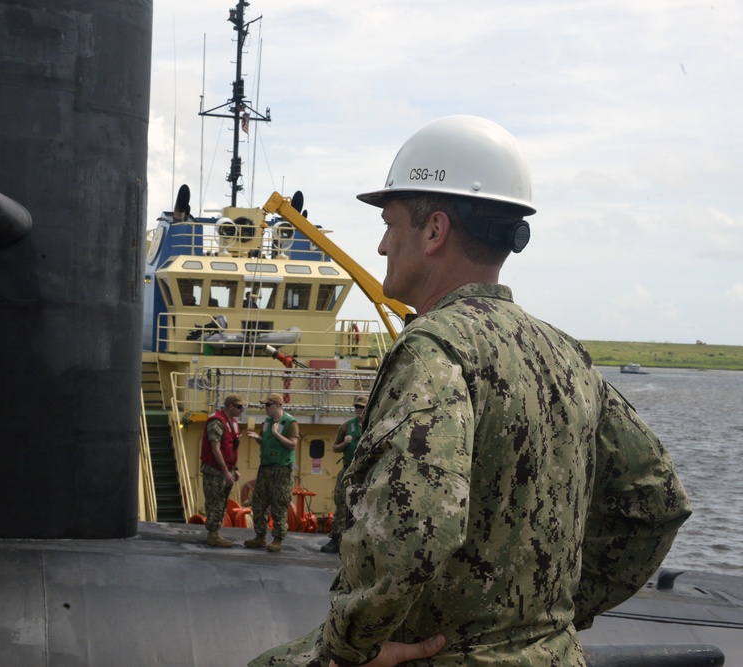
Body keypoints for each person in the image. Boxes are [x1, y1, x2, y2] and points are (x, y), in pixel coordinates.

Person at [250, 115, 691, 666]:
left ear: (434, 231)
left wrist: (351, 648)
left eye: (390, 224)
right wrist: (547, 619)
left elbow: (418, 527)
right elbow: (656, 502)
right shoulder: (565, 353)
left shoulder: (433, 348)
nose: (382, 244)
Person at [244, 392, 299, 553]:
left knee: (279, 505)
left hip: (281, 469)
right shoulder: (267, 422)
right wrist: (258, 438)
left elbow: (292, 445)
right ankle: (260, 536)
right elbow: (265, 441)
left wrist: (276, 434)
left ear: (277, 405)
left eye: (267, 405)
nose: (265, 408)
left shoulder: (290, 422)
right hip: (265, 468)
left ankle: (277, 539)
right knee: (259, 502)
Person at [320, 395, 367, 554]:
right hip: (348, 470)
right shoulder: (346, 426)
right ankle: (336, 538)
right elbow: (335, 447)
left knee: (363, 506)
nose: (359, 410)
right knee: (341, 503)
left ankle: (359, 541)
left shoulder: (373, 426)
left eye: (362, 407)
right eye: (357, 407)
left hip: (365, 473)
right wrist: (345, 443)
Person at [201, 394, 245, 548]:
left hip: (227, 469)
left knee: (222, 502)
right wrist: (226, 472)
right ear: (230, 407)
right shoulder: (217, 422)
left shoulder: (232, 422)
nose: (242, 410)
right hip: (215, 471)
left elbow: (232, 447)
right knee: (214, 502)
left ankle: (216, 532)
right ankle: (213, 534)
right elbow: (215, 449)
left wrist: (235, 469)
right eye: (239, 407)